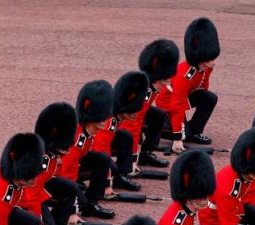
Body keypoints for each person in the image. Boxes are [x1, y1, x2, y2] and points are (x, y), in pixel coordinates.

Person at [155, 17, 220, 152]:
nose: (213, 62)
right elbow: (176, 105)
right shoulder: (184, 74)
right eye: (210, 59)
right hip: (168, 101)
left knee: (210, 97)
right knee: (185, 136)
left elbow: (202, 87)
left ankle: (195, 131)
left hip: (184, 96)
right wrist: (177, 138)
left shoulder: (207, 66)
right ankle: (153, 126)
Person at [56, 80, 116, 219]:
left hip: (72, 169)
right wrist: (73, 210)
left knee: (102, 160)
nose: (104, 120)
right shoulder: (77, 139)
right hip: (55, 178)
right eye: (100, 116)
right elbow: (67, 171)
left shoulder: (89, 130)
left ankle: (92, 202)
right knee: (81, 203)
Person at [27, 102, 80, 225]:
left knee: (70, 188)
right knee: (42, 223)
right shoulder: (40, 159)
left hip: (39, 189)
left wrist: (73, 210)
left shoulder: (51, 153)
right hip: (24, 198)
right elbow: (32, 196)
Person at [127, 39, 180, 169]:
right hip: (120, 125)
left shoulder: (152, 83)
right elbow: (133, 124)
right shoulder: (143, 91)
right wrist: (132, 159)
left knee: (158, 115)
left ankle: (146, 153)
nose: (167, 83)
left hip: (135, 118)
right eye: (166, 80)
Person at [92, 71, 149, 191]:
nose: (135, 114)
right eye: (132, 111)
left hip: (93, 147)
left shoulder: (118, 113)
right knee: (110, 165)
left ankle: (121, 177)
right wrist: (106, 184)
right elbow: (101, 149)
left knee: (125, 136)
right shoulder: (108, 121)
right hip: (83, 155)